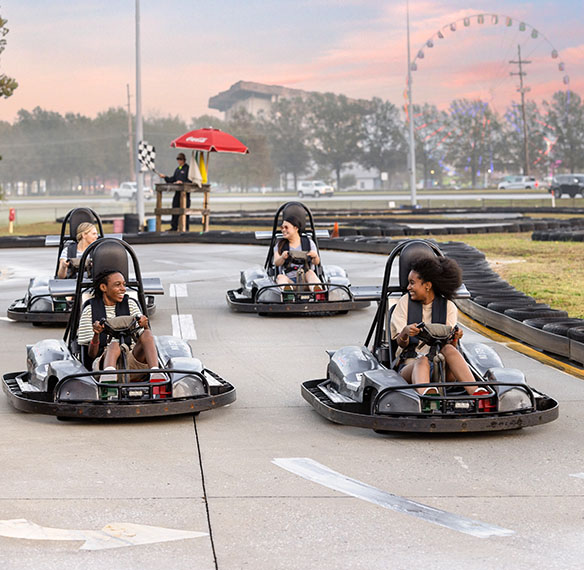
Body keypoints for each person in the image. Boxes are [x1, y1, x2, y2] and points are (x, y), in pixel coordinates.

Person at [390, 256, 488, 397]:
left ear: (427, 286)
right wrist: (405, 332)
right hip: (410, 366)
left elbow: (450, 348)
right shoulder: (404, 304)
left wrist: (454, 338)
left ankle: (476, 392)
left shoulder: (448, 307)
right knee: (422, 360)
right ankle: (427, 396)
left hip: (440, 368)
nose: (408, 287)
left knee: (448, 348)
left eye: (412, 283)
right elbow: (400, 343)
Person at [77, 269, 158, 381]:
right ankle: (109, 376)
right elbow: (90, 354)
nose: (123, 289)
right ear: (103, 288)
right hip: (104, 360)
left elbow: (144, 338)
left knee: (147, 334)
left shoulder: (130, 304)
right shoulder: (90, 310)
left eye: (124, 285)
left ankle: (156, 373)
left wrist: (145, 325)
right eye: (117, 285)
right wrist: (96, 334)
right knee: (114, 345)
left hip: (132, 360)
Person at [273, 210, 322, 291]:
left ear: (296, 228)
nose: (283, 230)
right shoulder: (280, 245)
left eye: (286, 227)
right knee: (280, 277)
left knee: (311, 273)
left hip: (306, 281)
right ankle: (288, 291)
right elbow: (276, 262)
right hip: (290, 281)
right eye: (282, 227)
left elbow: (316, 262)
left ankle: (317, 290)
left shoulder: (309, 243)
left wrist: (315, 256)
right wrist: (282, 257)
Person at [158, 152, 190, 231]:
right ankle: (174, 227)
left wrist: (182, 182)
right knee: (175, 208)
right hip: (177, 193)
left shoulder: (188, 169)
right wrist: (165, 177)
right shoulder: (177, 169)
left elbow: (190, 180)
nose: (179, 161)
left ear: (184, 160)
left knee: (185, 211)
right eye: (178, 159)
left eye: (180, 159)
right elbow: (172, 179)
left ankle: (185, 227)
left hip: (185, 194)